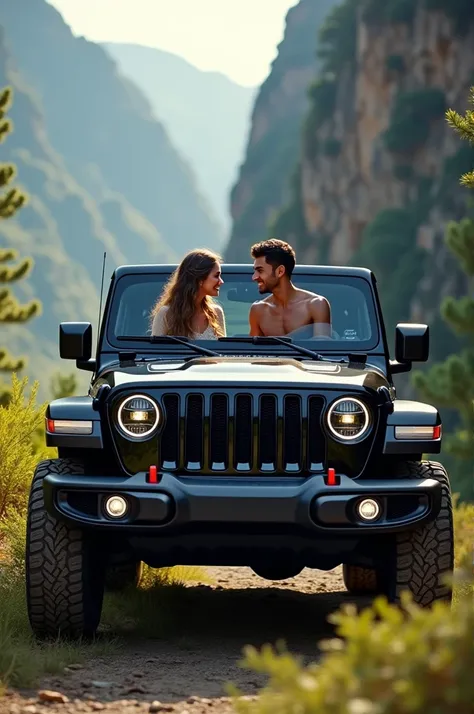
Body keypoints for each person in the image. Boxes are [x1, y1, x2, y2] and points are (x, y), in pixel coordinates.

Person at [248, 238, 331, 337]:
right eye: (255, 271)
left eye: (260, 271)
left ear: (280, 271)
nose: (254, 277)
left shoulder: (316, 305)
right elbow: (254, 351)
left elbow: (322, 349)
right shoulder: (258, 311)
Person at [150, 248, 226, 339]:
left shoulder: (216, 313)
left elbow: (223, 351)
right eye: (216, 276)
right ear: (200, 279)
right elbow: (156, 351)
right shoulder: (166, 314)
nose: (221, 281)